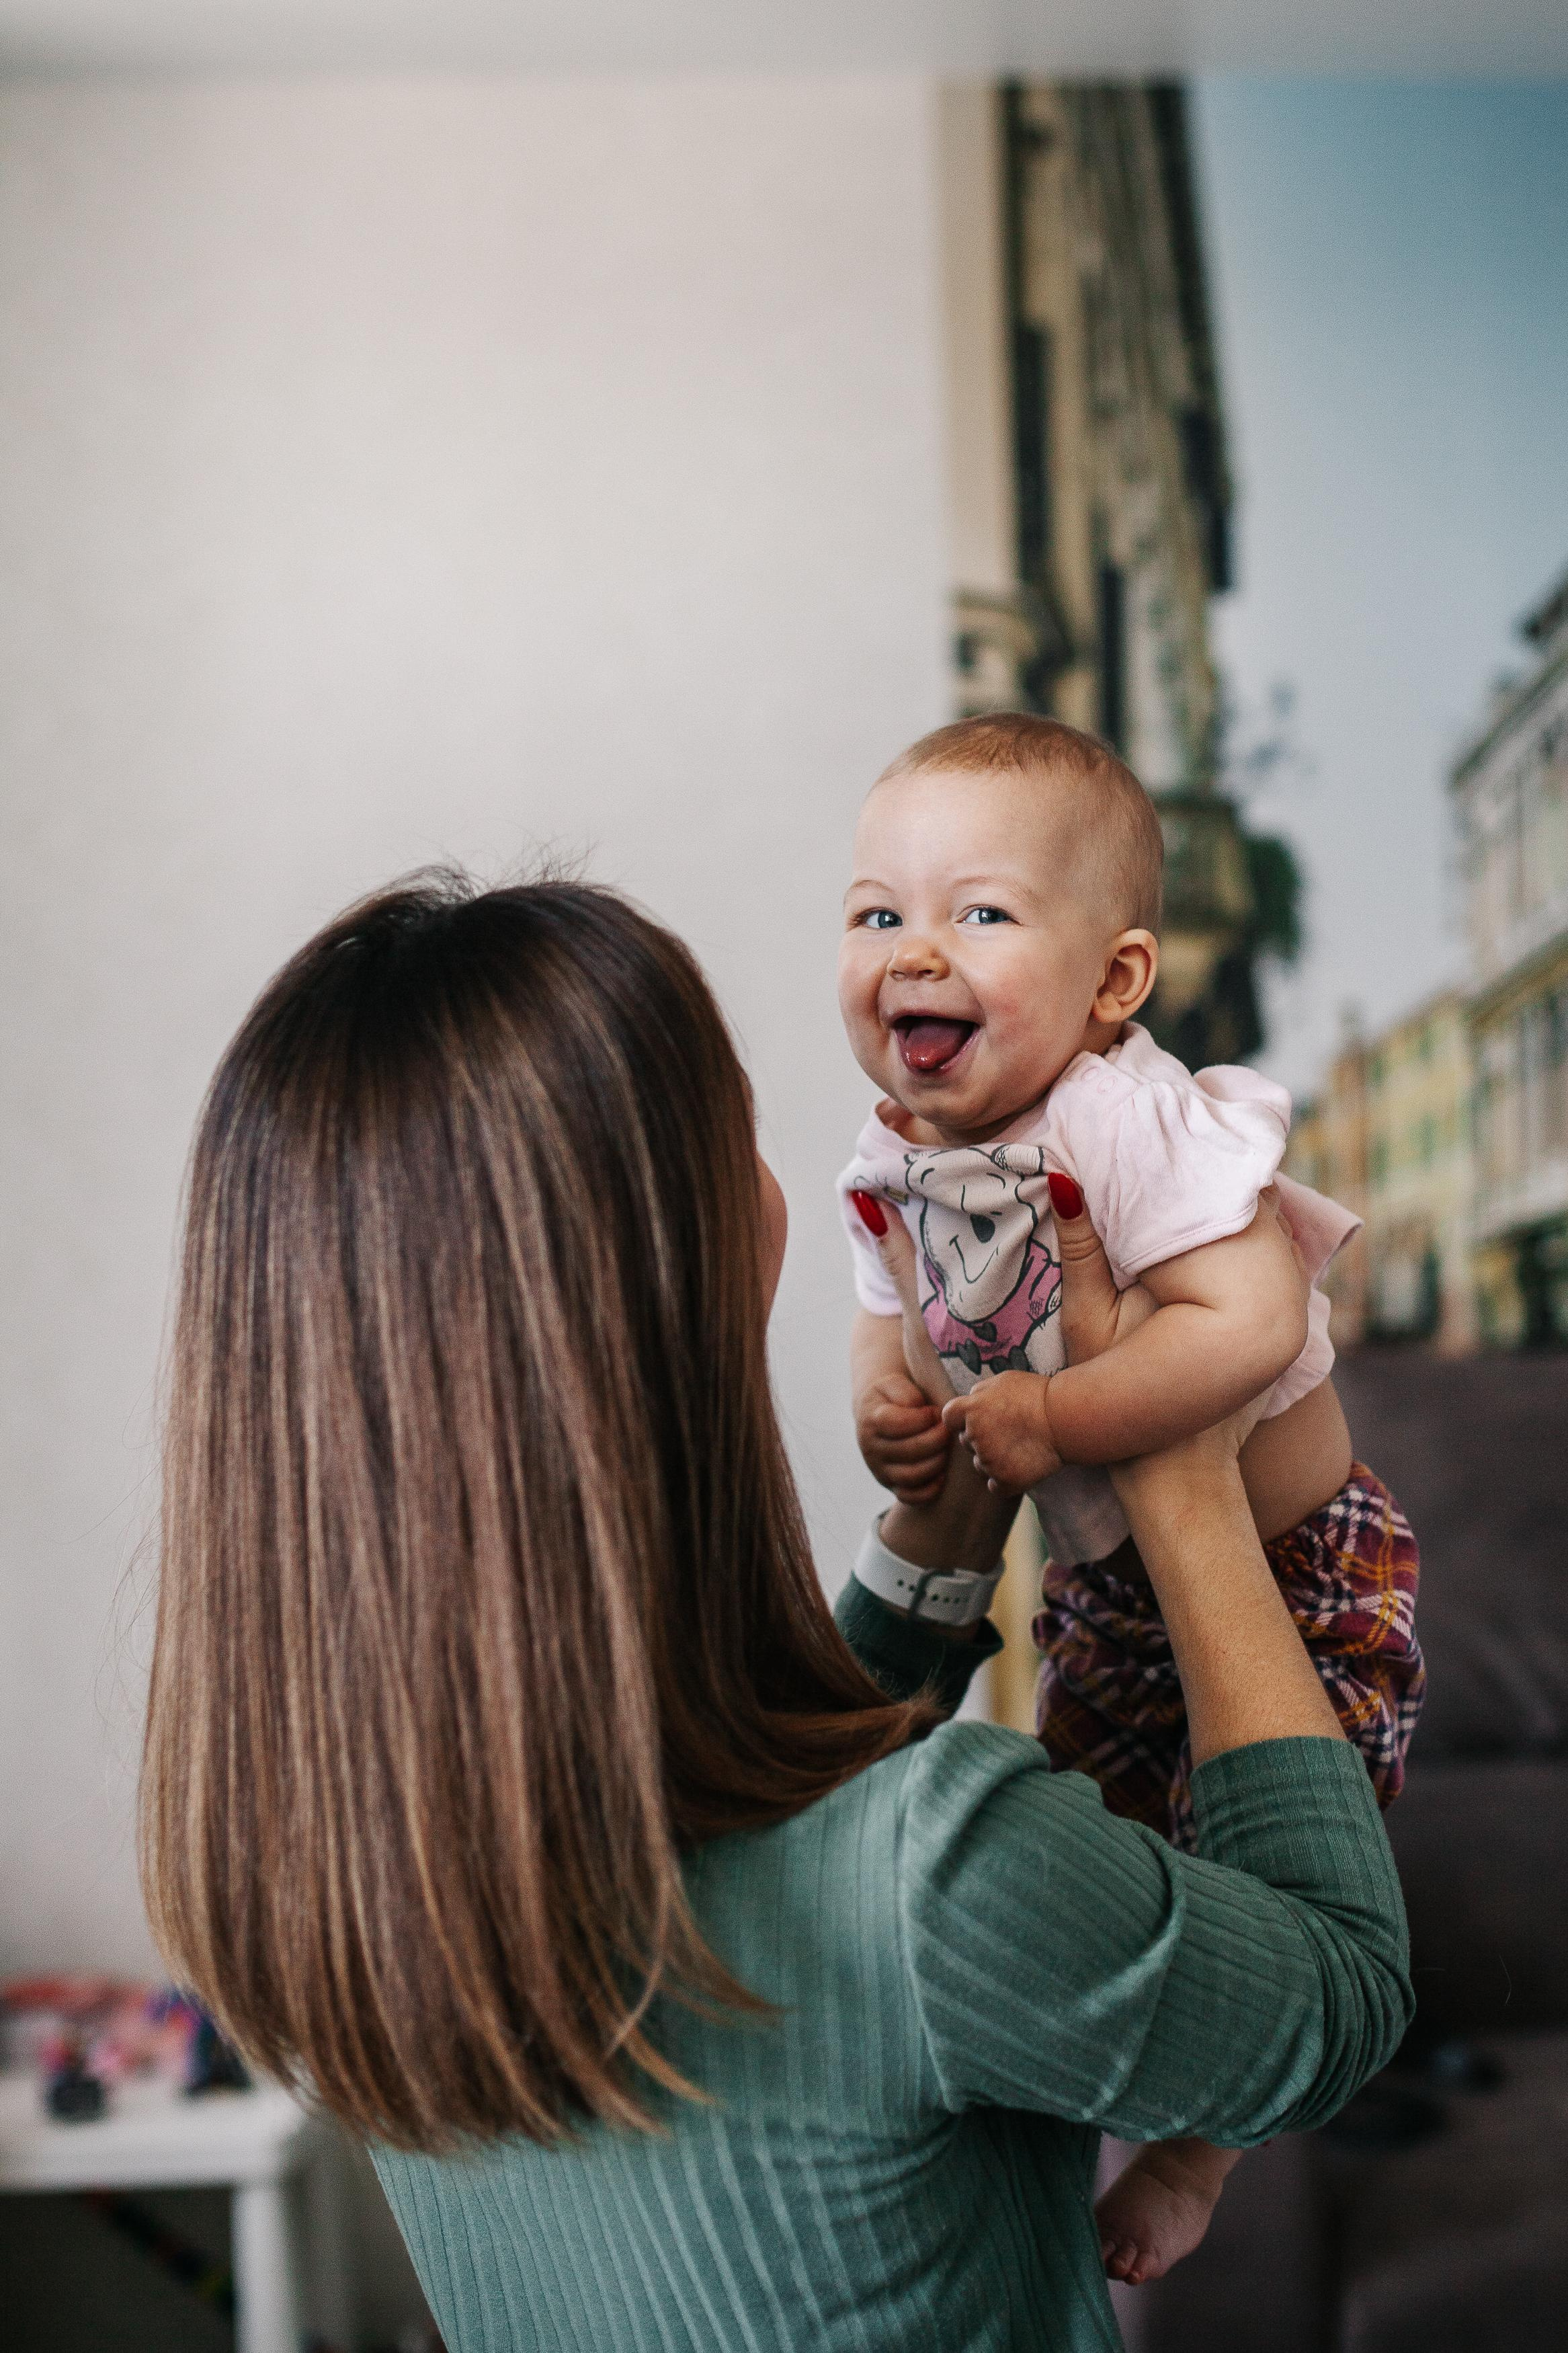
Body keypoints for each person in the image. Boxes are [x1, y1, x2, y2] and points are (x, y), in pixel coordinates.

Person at [140, 871, 1410, 2352]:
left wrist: (951, 1514)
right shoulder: (935, 1878)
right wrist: (1182, 1470)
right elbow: (1336, 1992)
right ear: (681, 1261)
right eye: (738, 1129)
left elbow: (751, 1793)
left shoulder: (335, 1863)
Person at [836, 710, 1423, 2277]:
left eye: (980, 912)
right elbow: (886, 1311)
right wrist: (893, 1414)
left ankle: (1199, 2152)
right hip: (1104, 1590)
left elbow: (1248, 1324)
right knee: (1100, 1841)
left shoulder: (1125, 1112)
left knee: (1286, 1862)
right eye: (878, 911)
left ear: (1113, 984)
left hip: (1296, 1566)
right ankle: (1106, 2090)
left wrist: (1060, 1406)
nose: (914, 951)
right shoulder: (898, 1151)